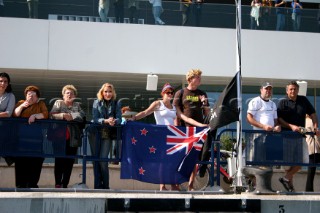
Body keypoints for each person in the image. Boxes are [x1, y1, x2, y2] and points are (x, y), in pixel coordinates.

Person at [131, 83, 207, 191]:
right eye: (167, 92)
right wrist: (134, 118)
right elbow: (145, 112)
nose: (170, 94)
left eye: (171, 93)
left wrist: (201, 125)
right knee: (163, 161)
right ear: (163, 93)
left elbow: (185, 118)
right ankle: (162, 185)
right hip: (161, 135)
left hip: (172, 136)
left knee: (173, 161)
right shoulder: (158, 103)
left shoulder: (174, 107)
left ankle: (173, 184)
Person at [277, 81, 320, 192]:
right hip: (287, 136)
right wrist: (291, 126)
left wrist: (316, 127)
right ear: (287, 91)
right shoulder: (282, 102)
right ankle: (290, 187)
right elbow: (279, 119)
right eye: (291, 89)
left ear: (298, 90)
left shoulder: (303, 100)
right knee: (289, 165)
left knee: (302, 162)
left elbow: (313, 114)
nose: (293, 91)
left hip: (300, 137)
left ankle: (286, 179)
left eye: (295, 89)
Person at [173, 69, 211, 191]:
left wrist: (204, 103)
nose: (200, 79)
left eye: (200, 77)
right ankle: (177, 183)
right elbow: (177, 113)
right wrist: (178, 127)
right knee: (181, 158)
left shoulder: (202, 93)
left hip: (199, 131)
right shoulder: (181, 92)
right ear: (190, 79)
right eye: (197, 77)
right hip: (184, 130)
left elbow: (207, 113)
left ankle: (190, 185)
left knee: (194, 158)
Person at [50, 85, 86, 188]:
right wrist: (63, 115)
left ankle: (64, 184)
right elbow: (52, 114)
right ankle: (57, 183)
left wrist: (72, 116)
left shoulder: (77, 105)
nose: (69, 95)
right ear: (63, 95)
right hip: (59, 137)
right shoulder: (58, 103)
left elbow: (82, 116)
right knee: (59, 161)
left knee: (69, 162)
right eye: (67, 93)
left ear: (75, 96)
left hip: (73, 138)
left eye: (72, 93)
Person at [13, 85, 48, 188]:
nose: (31, 97)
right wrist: (23, 106)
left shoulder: (40, 104)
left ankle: (33, 184)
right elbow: (15, 114)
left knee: (36, 162)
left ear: (37, 97)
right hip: (21, 141)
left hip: (36, 141)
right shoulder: (20, 103)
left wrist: (35, 116)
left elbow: (45, 114)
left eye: (33, 95)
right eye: (29, 95)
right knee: (21, 162)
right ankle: (20, 185)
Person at [89, 83, 121, 189]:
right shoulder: (96, 102)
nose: (108, 93)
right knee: (95, 160)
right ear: (102, 92)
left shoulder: (116, 103)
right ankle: (97, 186)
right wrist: (105, 121)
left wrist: (114, 121)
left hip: (107, 134)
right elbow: (94, 118)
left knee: (103, 160)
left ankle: (105, 186)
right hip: (95, 134)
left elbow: (120, 119)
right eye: (106, 91)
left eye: (110, 91)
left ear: (113, 93)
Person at [247, 82, 281, 162]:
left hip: (271, 137)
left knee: (268, 163)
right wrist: (263, 126)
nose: (268, 91)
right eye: (266, 89)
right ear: (261, 90)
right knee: (256, 161)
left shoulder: (273, 104)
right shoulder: (255, 101)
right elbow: (249, 118)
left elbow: (275, 120)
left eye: (270, 89)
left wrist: (277, 126)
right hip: (258, 137)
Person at [305, 114, 320, 192]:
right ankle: (309, 189)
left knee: (311, 170)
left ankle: (309, 189)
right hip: (314, 148)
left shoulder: (303, 121)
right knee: (311, 169)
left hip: (309, 148)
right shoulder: (310, 121)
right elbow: (316, 134)